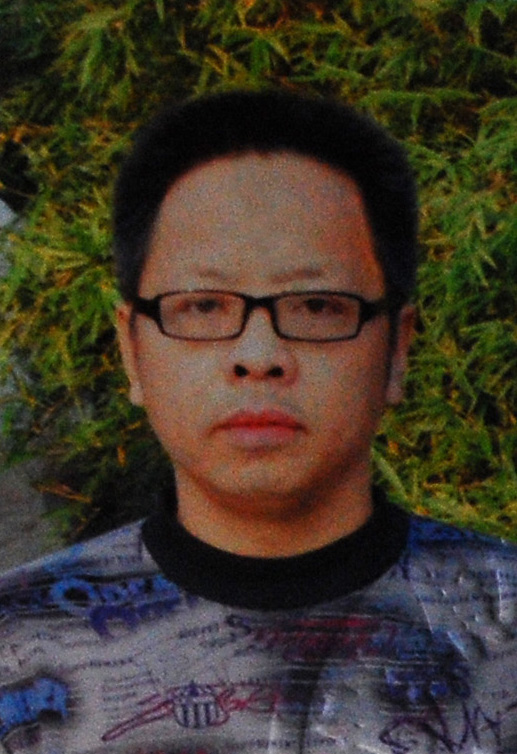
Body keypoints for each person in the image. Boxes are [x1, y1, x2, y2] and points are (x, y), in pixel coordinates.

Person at [0, 89, 516, 754]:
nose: (259, 355)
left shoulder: (503, 624)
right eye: (203, 307)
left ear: (396, 349)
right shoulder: (18, 646)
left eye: (317, 306)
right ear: (132, 350)